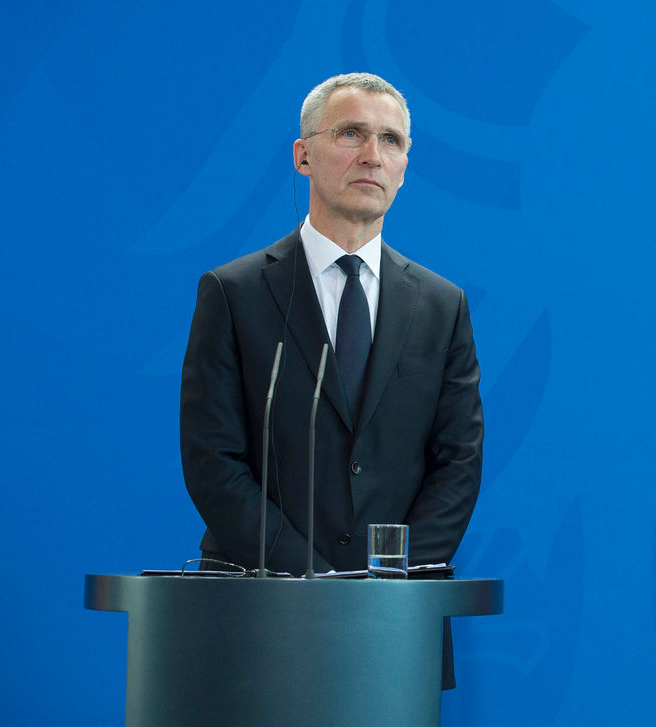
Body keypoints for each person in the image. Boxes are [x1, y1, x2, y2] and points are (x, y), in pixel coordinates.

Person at [180, 73, 483, 686]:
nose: (373, 154)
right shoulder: (233, 294)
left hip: (395, 622)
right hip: (260, 608)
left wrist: (387, 585)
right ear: (303, 156)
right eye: (351, 133)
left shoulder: (442, 305)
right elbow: (213, 461)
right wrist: (311, 582)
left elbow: (458, 465)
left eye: (391, 140)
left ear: (404, 166)